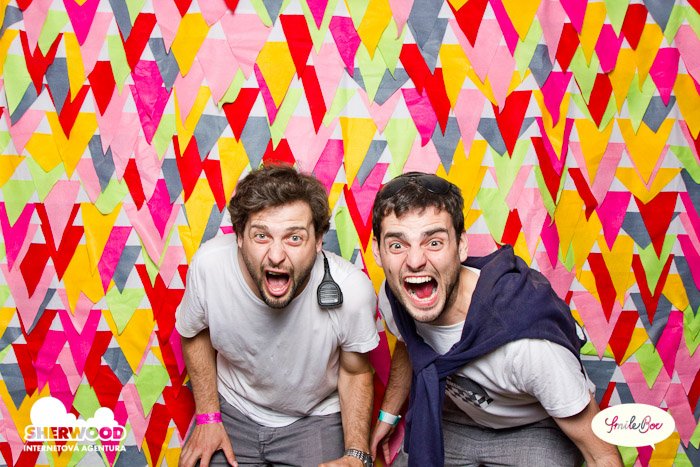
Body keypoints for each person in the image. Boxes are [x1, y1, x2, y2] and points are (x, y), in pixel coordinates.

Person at [368, 172, 622, 466]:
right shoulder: (398, 297)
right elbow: (410, 343)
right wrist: (388, 415)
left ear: (461, 246)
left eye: (434, 243)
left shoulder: (531, 346)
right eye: (397, 245)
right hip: (457, 419)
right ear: (378, 252)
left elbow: (601, 454)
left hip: (534, 427)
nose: (414, 262)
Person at [176, 164, 379, 467]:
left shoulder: (351, 290)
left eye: (294, 238)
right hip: (232, 409)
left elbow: (355, 372)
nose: (276, 256)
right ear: (239, 236)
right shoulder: (209, 266)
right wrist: (208, 416)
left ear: (318, 241)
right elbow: (194, 332)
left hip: (314, 418)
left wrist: (356, 455)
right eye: (261, 236)